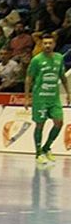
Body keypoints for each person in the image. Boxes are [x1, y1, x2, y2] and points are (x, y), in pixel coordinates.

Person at [25, 34, 70, 164]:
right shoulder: (36, 60)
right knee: (40, 124)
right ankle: (38, 153)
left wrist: (68, 93)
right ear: (42, 45)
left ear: (54, 44)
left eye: (50, 43)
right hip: (40, 98)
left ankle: (46, 147)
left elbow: (62, 76)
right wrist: (27, 97)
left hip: (54, 98)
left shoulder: (59, 58)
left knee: (59, 122)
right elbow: (29, 78)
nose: (47, 45)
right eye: (45, 43)